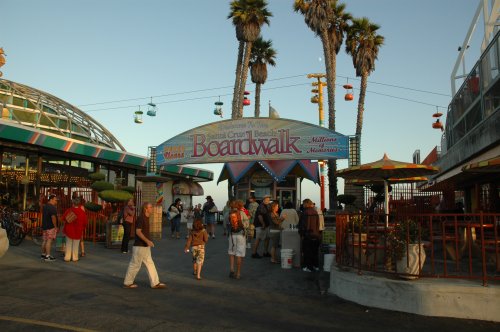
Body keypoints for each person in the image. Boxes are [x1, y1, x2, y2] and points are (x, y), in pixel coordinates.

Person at [123, 202, 166, 289]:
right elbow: (138, 231)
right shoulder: (141, 218)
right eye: (150, 207)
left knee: (150, 263)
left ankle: (155, 283)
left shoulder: (146, 217)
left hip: (144, 246)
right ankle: (127, 283)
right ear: (146, 208)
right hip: (139, 246)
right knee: (135, 264)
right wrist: (147, 241)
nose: (152, 209)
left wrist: (148, 241)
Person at [62, 196, 88, 262]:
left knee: (68, 244)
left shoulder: (69, 210)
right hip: (78, 230)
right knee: (76, 245)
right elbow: (85, 222)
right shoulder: (82, 212)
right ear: (79, 203)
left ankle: (67, 257)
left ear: (73, 203)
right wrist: (82, 228)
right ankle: (75, 258)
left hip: (69, 230)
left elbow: (63, 218)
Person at [298, 198, 320, 272]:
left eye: (304, 204)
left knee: (307, 252)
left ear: (306, 204)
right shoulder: (315, 212)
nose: (303, 205)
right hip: (316, 235)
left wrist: (301, 233)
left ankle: (308, 267)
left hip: (308, 235)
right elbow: (318, 224)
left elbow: (302, 225)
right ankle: (316, 266)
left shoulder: (304, 212)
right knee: (315, 252)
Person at [228, 209, 248, 279]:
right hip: (240, 235)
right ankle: (238, 273)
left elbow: (226, 224)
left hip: (232, 235)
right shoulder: (241, 213)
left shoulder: (230, 213)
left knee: (231, 252)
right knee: (239, 254)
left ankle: (231, 269)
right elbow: (246, 224)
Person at [41, 194, 58, 262]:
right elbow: (53, 217)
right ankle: (48, 256)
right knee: (49, 240)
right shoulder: (52, 207)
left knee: (45, 240)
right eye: (55, 200)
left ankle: (43, 254)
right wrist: (55, 226)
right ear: (51, 199)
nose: (56, 201)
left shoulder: (45, 206)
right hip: (50, 226)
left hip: (45, 225)